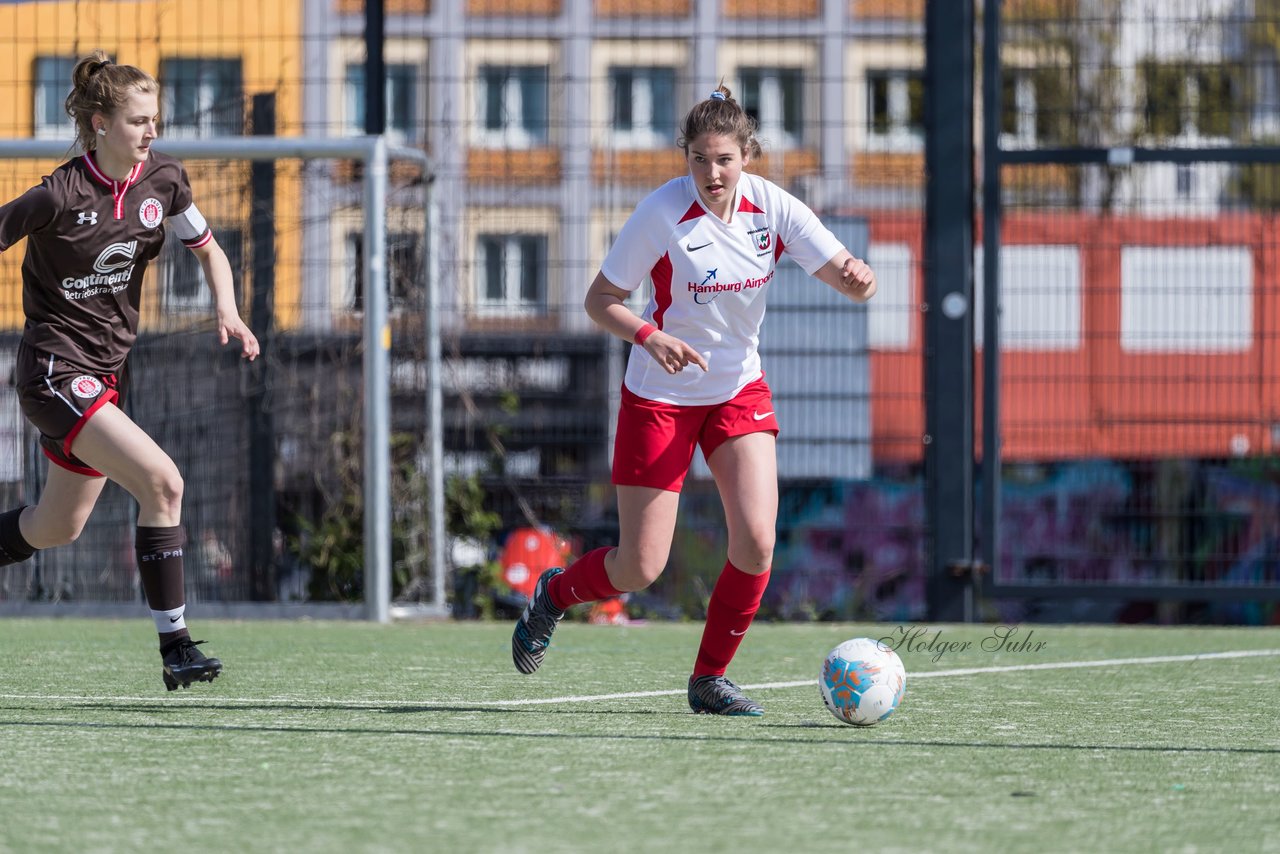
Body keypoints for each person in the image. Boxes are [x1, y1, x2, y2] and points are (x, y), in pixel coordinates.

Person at [512, 85, 876, 715]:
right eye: (700, 159)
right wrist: (651, 338)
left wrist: (858, 279)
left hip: (737, 389)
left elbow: (846, 275)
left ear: (747, 157)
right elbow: (600, 301)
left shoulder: (774, 209)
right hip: (660, 396)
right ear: (687, 159)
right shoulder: (662, 213)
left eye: (725, 159)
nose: (712, 173)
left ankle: (709, 678)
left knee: (758, 541)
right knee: (640, 567)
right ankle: (555, 594)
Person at [0, 51, 259, 690]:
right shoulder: (56, 194)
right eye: (139, 121)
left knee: (54, 528)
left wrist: (227, 307)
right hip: (55, 372)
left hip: (102, 375)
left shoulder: (163, 180)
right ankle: (176, 647)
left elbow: (210, 248)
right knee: (163, 483)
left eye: (155, 120)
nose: (151, 132)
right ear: (99, 124)